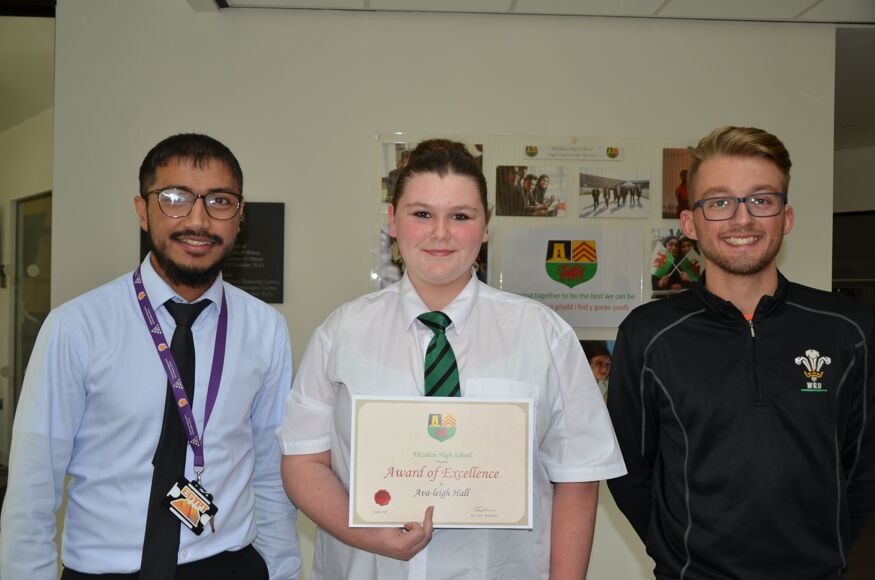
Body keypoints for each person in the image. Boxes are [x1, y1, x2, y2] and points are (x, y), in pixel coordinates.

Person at [278, 139, 626, 580]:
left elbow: (577, 477)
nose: (440, 233)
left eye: (460, 216)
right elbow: (303, 461)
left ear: (485, 227)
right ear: (392, 221)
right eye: (422, 214)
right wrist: (366, 533)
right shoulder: (341, 333)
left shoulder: (544, 334)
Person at [0, 133, 301, 579]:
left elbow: (272, 476)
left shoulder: (266, 329)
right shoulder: (77, 327)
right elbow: (33, 488)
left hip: (229, 566)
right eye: (175, 198)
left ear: (240, 216)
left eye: (219, 201)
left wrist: (281, 571)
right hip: (107, 571)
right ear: (142, 211)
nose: (198, 220)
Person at [607, 126, 875, 580]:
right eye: (719, 202)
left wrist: (824, 553)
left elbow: (863, 469)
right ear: (690, 223)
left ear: (786, 217)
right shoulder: (649, 334)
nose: (742, 218)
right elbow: (629, 470)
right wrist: (679, 555)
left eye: (761, 199)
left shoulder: (848, 329)